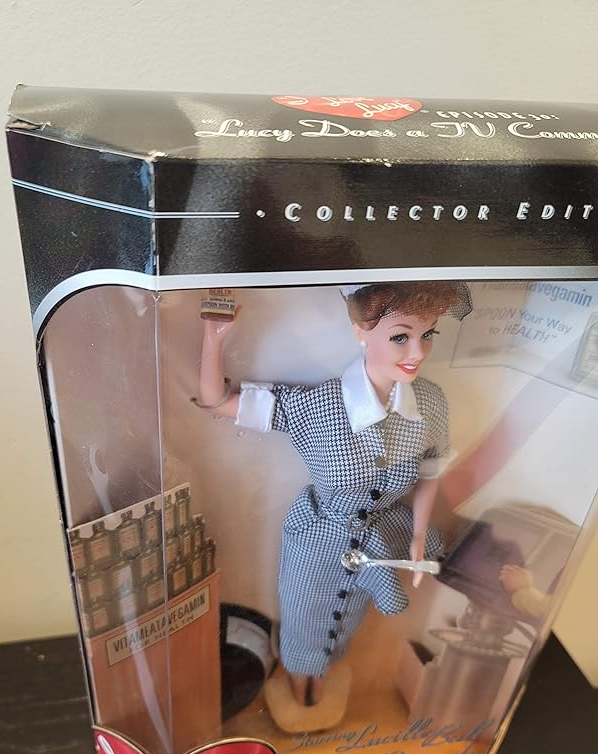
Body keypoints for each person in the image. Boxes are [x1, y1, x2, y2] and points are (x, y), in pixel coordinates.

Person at [195, 282, 471, 714]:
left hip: (379, 543)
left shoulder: (430, 403)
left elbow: (429, 472)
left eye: (428, 334)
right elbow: (216, 402)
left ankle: (322, 673)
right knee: (304, 615)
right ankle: (296, 672)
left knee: (349, 618)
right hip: (317, 541)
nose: (418, 351)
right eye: (401, 337)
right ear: (361, 331)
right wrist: (213, 339)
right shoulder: (319, 406)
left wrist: (418, 534)